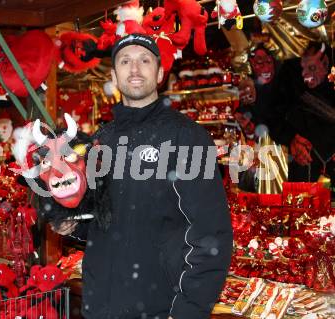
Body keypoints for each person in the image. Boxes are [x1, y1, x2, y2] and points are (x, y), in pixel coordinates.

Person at [52, 33, 233, 319]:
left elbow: (212, 235)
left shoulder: (187, 137)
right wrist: (72, 225)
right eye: (125, 61)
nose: (134, 69)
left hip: (160, 308)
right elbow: (104, 222)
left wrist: (187, 311)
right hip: (101, 306)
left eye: (144, 60)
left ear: (160, 73)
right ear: (113, 75)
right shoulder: (101, 142)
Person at [267, 41, 335, 196]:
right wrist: (290, 139)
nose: (305, 75)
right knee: (300, 214)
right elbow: (272, 116)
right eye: (303, 69)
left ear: (325, 64)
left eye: (312, 68)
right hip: (304, 164)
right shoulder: (291, 74)